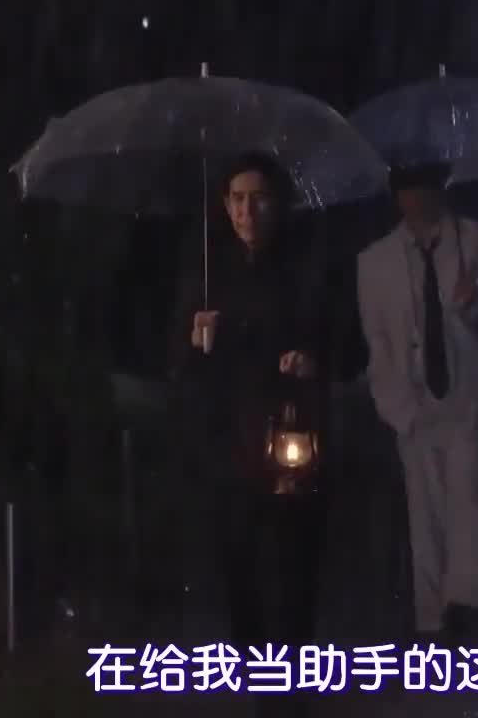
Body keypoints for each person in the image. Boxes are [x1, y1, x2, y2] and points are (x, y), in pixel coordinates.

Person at [168, 151, 326, 714]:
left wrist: (306, 361)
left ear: (277, 204)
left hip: (288, 437)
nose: (246, 211)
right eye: (236, 199)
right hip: (228, 441)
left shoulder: (301, 268)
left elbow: (329, 340)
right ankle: (257, 679)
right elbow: (180, 365)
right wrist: (196, 342)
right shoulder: (208, 271)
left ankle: (293, 687)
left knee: (291, 566)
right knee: (239, 567)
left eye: (257, 199)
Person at [356, 162, 478, 645]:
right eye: (407, 189)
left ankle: (466, 603)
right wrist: (393, 404)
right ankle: (432, 617)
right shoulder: (375, 260)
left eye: (424, 186)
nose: (417, 198)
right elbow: (378, 337)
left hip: (469, 394)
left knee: (472, 499)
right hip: (413, 399)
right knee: (425, 512)